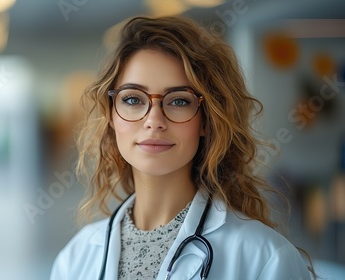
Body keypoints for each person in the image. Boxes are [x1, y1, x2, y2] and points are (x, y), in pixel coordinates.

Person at [50, 16, 314, 280]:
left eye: (178, 101)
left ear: (207, 121)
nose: (154, 121)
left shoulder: (264, 257)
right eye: (132, 99)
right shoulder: (76, 257)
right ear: (111, 116)